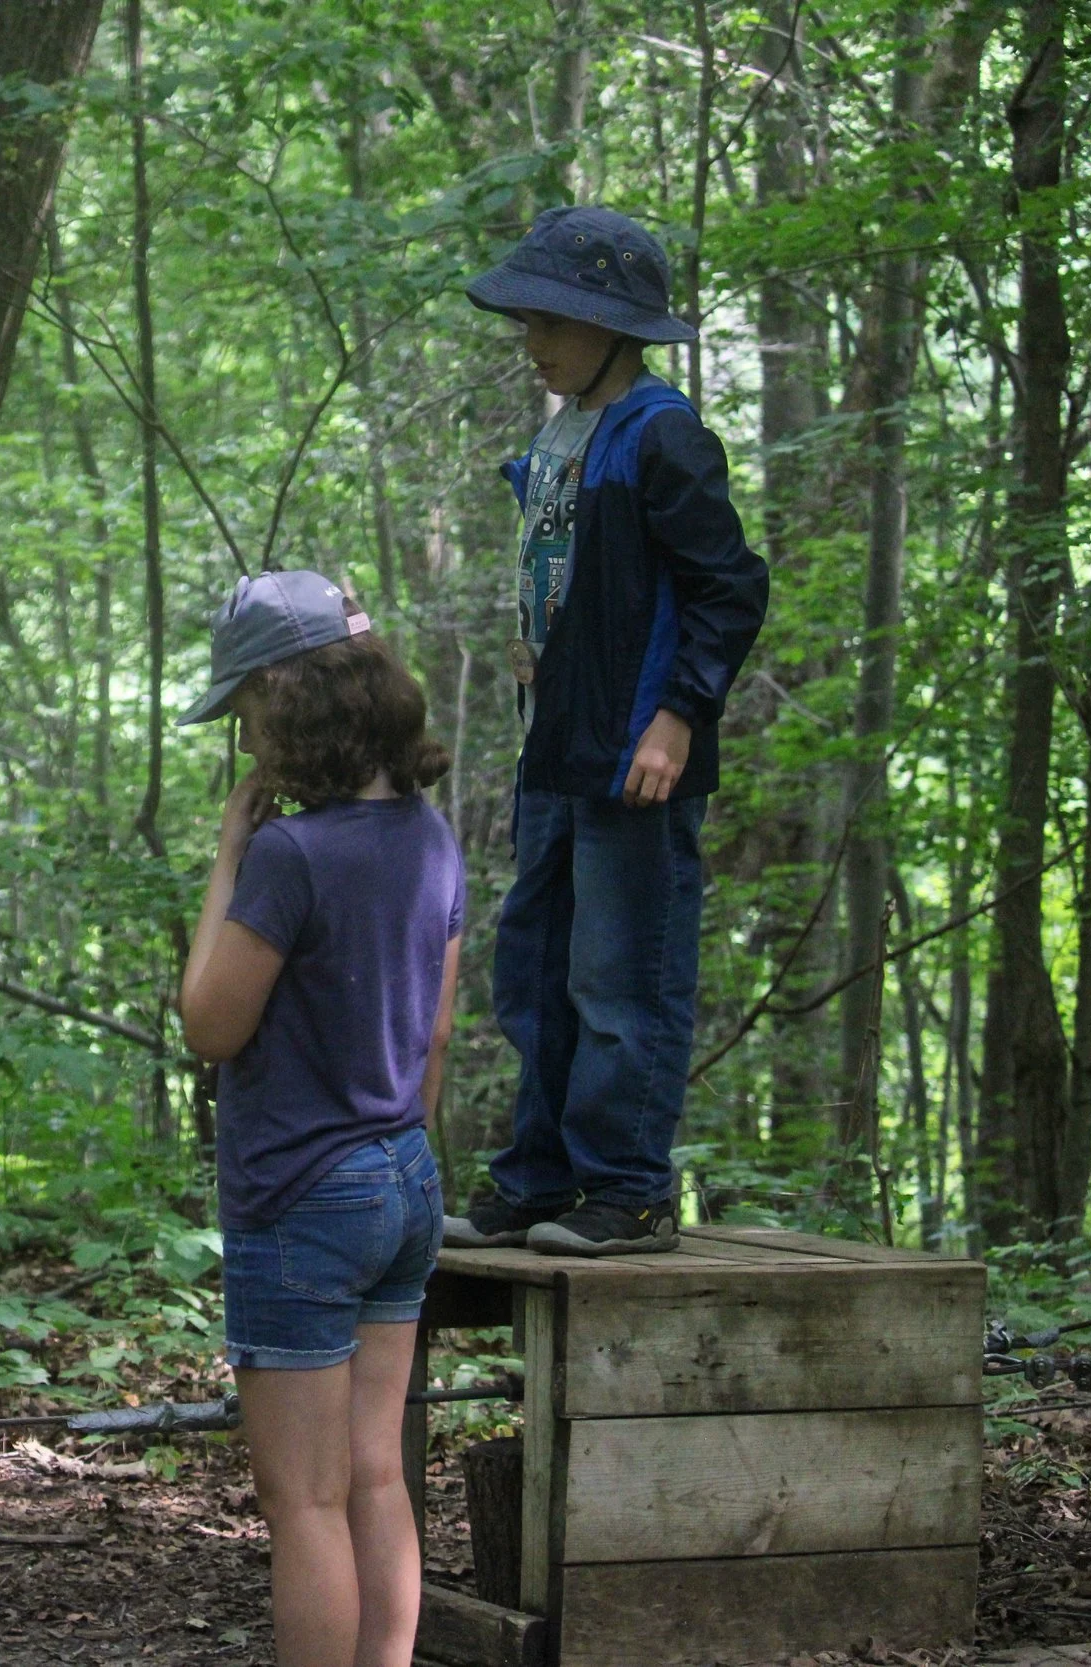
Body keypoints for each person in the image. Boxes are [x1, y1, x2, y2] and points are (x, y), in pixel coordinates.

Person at [443, 205, 769, 1257]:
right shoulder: (561, 432)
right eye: (527, 322)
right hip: (557, 747)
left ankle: (626, 1190)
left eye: (550, 322)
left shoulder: (658, 431)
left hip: (637, 752)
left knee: (621, 970)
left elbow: (728, 587)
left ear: (612, 328)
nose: (532, 343)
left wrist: (677, 716)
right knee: (536, 964)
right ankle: (539, 1180)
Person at [177, 571, 465, 1667]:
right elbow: (434, 1035)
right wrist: (395, 1140)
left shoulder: (290, 856)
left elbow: (210, 1022)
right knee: (376, 1470)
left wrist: (227, 857)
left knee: (302, 1500)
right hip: (403, 1176)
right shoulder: (430, 838)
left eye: (247, 710)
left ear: (291, 700)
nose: (246, 739)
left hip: (301, 1196)